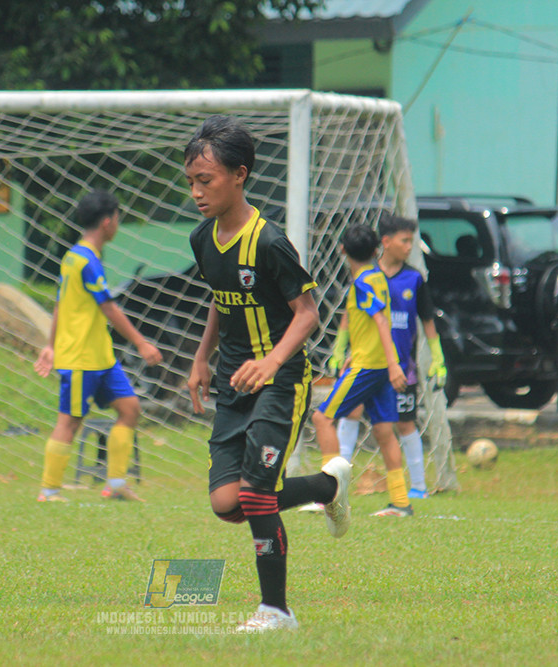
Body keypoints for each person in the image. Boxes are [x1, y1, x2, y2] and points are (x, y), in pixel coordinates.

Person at [184, 115, 353, 633]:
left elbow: (307, 313)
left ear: (240, 174)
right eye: (190, 181)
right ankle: (327, 488)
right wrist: (201, 357)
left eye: (205, 180)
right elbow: (221, 300)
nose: (196, 192)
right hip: (235, 381)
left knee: (257, 495)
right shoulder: (202, 239)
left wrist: (272, 362)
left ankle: (276, 610)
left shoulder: (270, 242)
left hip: (281, 380)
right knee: (226, 504)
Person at [34, 189, 163, 503]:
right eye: (118, 217)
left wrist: (49, 345)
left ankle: (116, 485)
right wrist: (141, 343)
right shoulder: (85, 260)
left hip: (101, 357)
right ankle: (49, 491)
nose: (118, 223)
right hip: (81, 358)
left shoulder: (76, 256)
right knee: (70, 421)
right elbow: (109, 308)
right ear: (108, 222)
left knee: (129, 409)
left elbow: (60, 304)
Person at [331, 212, 447, 499]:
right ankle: (338, 486)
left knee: (404, 422)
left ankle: (418, 486)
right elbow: (350, 316)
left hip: (400, 367)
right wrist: (338, 350)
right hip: (367, 363)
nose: (409, 247)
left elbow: (428, 319)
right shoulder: (368, 277)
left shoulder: (414, 278)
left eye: (411, 241)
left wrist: (438, 358)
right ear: (386, 242)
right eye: (405, 240)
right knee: (350, 412)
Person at [311, 223, 412, 517]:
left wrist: (392, 365)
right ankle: (401, 502)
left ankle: (328, 496)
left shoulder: (362, 284)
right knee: (384, 431)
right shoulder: (379, 276)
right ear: (377, 250)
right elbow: (368, 323)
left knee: (322, 418)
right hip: (375, 364)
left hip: (370, 366)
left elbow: (380, 321)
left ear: (342, 250)